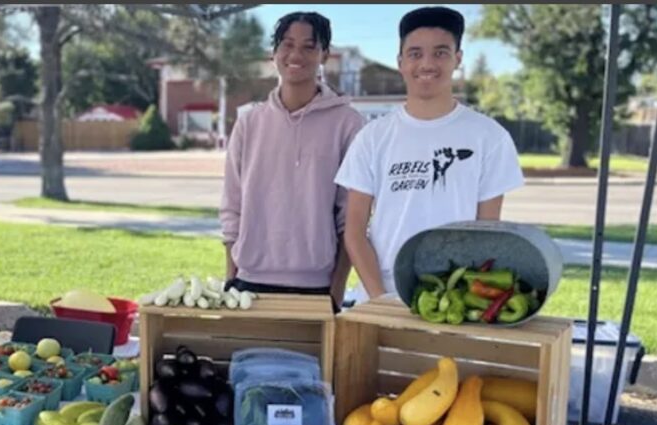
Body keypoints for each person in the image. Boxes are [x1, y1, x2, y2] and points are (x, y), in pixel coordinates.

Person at [336, 6, 524, 302]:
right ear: (400, 62)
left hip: (454, 305)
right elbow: (355, 232)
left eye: (440, 53)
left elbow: (487, 234)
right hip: (382, 299)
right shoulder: (372, 137)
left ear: (457, 59)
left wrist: (459, 301)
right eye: (415, 53)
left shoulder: (489, 137)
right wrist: (381, 300)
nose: (426, 63)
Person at [220, 11, 364, 310]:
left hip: (317, 288)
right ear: (274, 53)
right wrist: (231, 278)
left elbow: (350, 217)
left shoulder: (348, 124)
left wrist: (335, 293)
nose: (296, 54)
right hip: (248, 286)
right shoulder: (249, 123)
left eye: (309, 46)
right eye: (287, 44)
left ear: (324, 54)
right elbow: (232, 206)